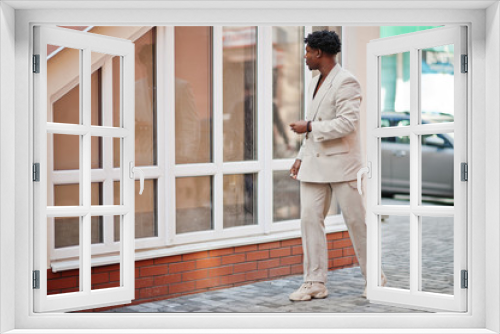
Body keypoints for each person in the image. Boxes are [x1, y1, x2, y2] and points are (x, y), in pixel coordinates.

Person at [288, 30, 386, 301]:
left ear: (319, 52)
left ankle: (375, 278)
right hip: (314, 165)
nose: (305, 56)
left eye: (308, 51)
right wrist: (300, 156)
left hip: (343, 166)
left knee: (356, 222)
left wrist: (308, 126)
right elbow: (314, 123)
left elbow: (347, 123)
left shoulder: (347, 81)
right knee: (309, 220)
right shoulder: (314, 81)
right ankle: (314, 282)